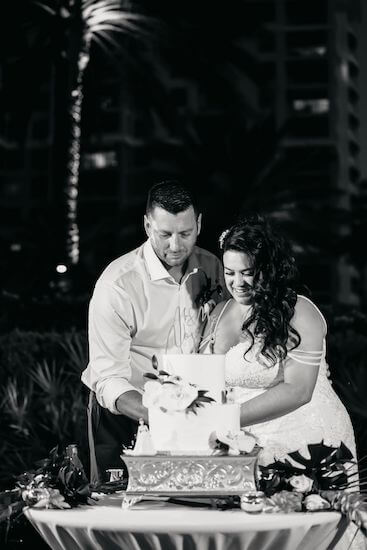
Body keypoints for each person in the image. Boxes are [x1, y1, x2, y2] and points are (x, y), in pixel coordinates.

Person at [200, 214, 365, 549]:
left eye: (248, 273)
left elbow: (298, 390)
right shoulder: (219, 313)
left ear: (269, 269)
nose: (238, 282)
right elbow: (206, 378)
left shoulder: (299, 310)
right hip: (247, 442)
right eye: (230, 273)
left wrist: (225, 420)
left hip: (309, 439)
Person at [81, 180, 226, 482]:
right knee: (119, 508)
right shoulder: (117, 285)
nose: (176, 246)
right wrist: (162, 416)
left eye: (185, 233)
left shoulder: (213, 268)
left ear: (199, 223)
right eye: (165, 234)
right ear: (147, 226)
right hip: (125, 414)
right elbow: (108, 378)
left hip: (196, 412)